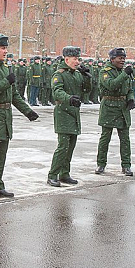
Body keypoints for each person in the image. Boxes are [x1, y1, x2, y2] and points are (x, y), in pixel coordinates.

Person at [0, 33, 39, 201]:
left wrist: (27, 111)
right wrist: (6, 82)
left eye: (6, 48)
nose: (5, 51)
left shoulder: (4, 67)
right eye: (3, 48)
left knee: (1, 155)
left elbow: (14, 94)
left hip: (4, 117)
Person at [47, 46, 91, 187]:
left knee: (71, 146)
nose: (77, 62)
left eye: (78, 59)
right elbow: (57, 92)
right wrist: (69, 98)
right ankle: (53, 175)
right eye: (75, 59)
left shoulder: (76, 74)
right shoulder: (59, 75)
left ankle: (64, 174)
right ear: (66, 59)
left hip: (74, 114)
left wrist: (87, 77)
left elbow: (86, 90)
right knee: (63, 147)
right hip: (63, 113)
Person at [95, 48, 135, 177]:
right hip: (109, 107)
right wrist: (125, 75)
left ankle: (126, 165)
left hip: (122, 109)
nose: (122, 60)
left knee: (125, 140)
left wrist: (130, 99)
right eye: (119, 58)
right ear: (112, 59)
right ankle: (101, 164)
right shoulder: (105, 72)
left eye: (124, 58)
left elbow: (129, 88)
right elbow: (111, 85)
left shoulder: (123, 72)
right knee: (105, 138)